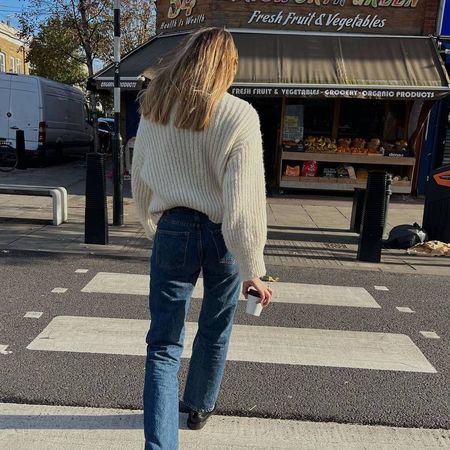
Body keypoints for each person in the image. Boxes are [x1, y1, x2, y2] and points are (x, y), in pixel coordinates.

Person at [132, 27, 273, 450]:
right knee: (215, 327)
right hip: (221, 235)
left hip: (173, 226)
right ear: (227, 66)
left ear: (186, 58)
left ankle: (160, 445)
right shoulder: (239, 114)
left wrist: (151, 225)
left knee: (162, 343)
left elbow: (140, 175)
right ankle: (199, 406)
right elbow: (243, 201)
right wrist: (255, 270)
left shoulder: (155, 107)